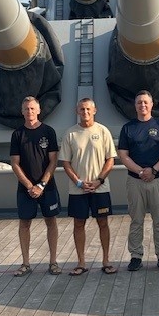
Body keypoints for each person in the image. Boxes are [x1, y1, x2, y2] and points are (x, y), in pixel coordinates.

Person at [117, 90, 159, 271]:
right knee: (136, 220)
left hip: (158, 180)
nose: (142, 105)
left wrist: (154, 170)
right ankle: (135, 256)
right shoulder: (128, 128)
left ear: (151, 105)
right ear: (135, 106)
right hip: (135, 181)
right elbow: (123, 155)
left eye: (145, 102)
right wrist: (141, 171)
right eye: (139, 102)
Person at [59, 98, 117, 276]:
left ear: (95, 110)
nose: (85, 112)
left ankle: (106, 260)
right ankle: (81, 262)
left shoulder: (103, 131)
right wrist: (78, 182)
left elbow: (110, 159)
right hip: (78, 189)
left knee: (103, 223)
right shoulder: (70, 134)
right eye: (82, 109)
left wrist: (99, 180)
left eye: (88, 109)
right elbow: (66, 163)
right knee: (78, 224)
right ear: (77, 111)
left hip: (100, 188)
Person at [10, 96, 61, 277]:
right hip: (26, 189)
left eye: (32, 108)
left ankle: (53, 262)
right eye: (26, 109)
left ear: (38, 111)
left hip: (48, 187)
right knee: (24, 224)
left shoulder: (49, 132)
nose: (29, 112)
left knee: (51, 222)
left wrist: (41, 184)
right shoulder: (17, 134)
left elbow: (53, 161)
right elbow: (15, 163)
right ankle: (25, 264)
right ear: (22, 112)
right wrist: (30, 186)